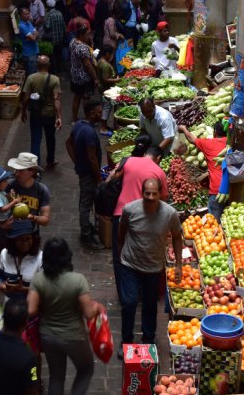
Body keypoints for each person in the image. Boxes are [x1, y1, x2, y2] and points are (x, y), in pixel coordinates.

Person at [27, 238, 102, 395]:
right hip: (73, 336)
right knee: (86, 369)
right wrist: (96, 308)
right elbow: (88, 313)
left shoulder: (39, 280)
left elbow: (31, 310)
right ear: (67, 256)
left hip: (48, 336)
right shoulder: (77, 280)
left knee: (56, 376)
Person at [117, 178, 183, 352]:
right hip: (130, 263)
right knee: (129, 303)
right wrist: (120, 254)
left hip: (153, 267)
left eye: (154, 193)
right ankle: (126, 340)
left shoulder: (170, 214)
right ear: (142, 193)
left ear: (160, 194)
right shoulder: (130, 210)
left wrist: (178, 265)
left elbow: (177, 236)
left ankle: (148, 339)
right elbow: (121, 231)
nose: (151, 196)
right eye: (147, 193)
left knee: (149, 304)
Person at [107, 145, 168, 299]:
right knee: (141, 253)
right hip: (143, 220)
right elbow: (163, 200)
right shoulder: (159, 172)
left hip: (120, 214)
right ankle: (139, 291)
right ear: (158, 158)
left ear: (145, 154)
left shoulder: (129, 161)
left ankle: (124, 293)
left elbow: (111, 177)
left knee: (119, 254)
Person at [66, 100, 104, 250]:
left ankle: (88, 227)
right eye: (99, 113)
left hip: (83, 171)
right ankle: (86, 236)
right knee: (86, 204)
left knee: (85, 200)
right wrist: (98, 178)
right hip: (88, 174)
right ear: (92, 113)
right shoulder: (88, 133)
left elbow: (68, 143)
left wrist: (76, 161)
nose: (101, 115)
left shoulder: (79, 125)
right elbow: (92, 158)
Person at [178, 122, 230, 221]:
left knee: (214, 223)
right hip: (233, 190)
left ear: (214, 132)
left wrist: (184, 129)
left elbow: (191, 139)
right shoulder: (231, 144)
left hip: (217, 191)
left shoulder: (207, 143)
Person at [20, 55, 62, 170]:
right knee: (50, 138)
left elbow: (26, 98)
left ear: (37, 65)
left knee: (35, 139)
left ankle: (35, 165)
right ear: (49, 65)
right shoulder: (55, 79)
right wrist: (59, 116)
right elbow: (56, 99)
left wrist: (23, 112)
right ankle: (50, 160)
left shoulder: (31, 78)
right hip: (50, 114)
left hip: (35, 113)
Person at [0, 221, 43, 302]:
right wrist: (1, 285)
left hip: (31, 305)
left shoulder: (40, 257)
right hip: (7, 303)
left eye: (28, 238)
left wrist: (22, 289)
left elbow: (43, 289)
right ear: (13, 241)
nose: (25, 243)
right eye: (20, 240)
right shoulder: (4, 253)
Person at [7, 152, 52, 230]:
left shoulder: (42, 190)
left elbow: (45, 220)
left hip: (30, 233)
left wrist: (32, 217)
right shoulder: (8, 185)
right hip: (10, 230)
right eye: (16, 170)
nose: (17, 174)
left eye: (20, 170)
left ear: (32, 172)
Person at [69, 24, 98, 123]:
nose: (89, 36)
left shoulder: (73, 42)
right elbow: (88, 65)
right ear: (81, 35)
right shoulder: (82, 47)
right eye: (87, 34)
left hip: (75, 75)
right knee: (86, 97)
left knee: (77, 96)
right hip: (84, 77)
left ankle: (74, 119)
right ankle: (87, 119)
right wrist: (95, 78)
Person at [96, 46, 120, 135]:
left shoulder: (100, 61)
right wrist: (116, 80)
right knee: (106, 107)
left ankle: (109, 125)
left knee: (108, 106)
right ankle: (103, 128)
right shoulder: (105, 65)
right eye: (111, 54)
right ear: (106, 54)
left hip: (104, 89)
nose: (111, 56)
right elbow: (105, 79)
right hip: (107, 90)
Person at [42, 0, 66, 72]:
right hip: (60, 39)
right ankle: (60, 69)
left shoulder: (49, 15)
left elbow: (47, 27)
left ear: (48, 7)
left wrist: (44, 22)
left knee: (53, 57)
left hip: (52, 39)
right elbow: (64, 27)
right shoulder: (60, 13)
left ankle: (54, 71)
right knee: (59, 56)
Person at [18, 7, 40, 76]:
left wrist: (34, 35)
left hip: (35, 51)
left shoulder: (28, 23)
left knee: (36, 73)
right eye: (25, 14)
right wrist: (34, 35)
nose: (27, 15)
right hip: (29, 54)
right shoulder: (22, 26)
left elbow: (37, 33)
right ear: (20, 15)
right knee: (32, 75)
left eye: (28, 13)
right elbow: (33, 38)